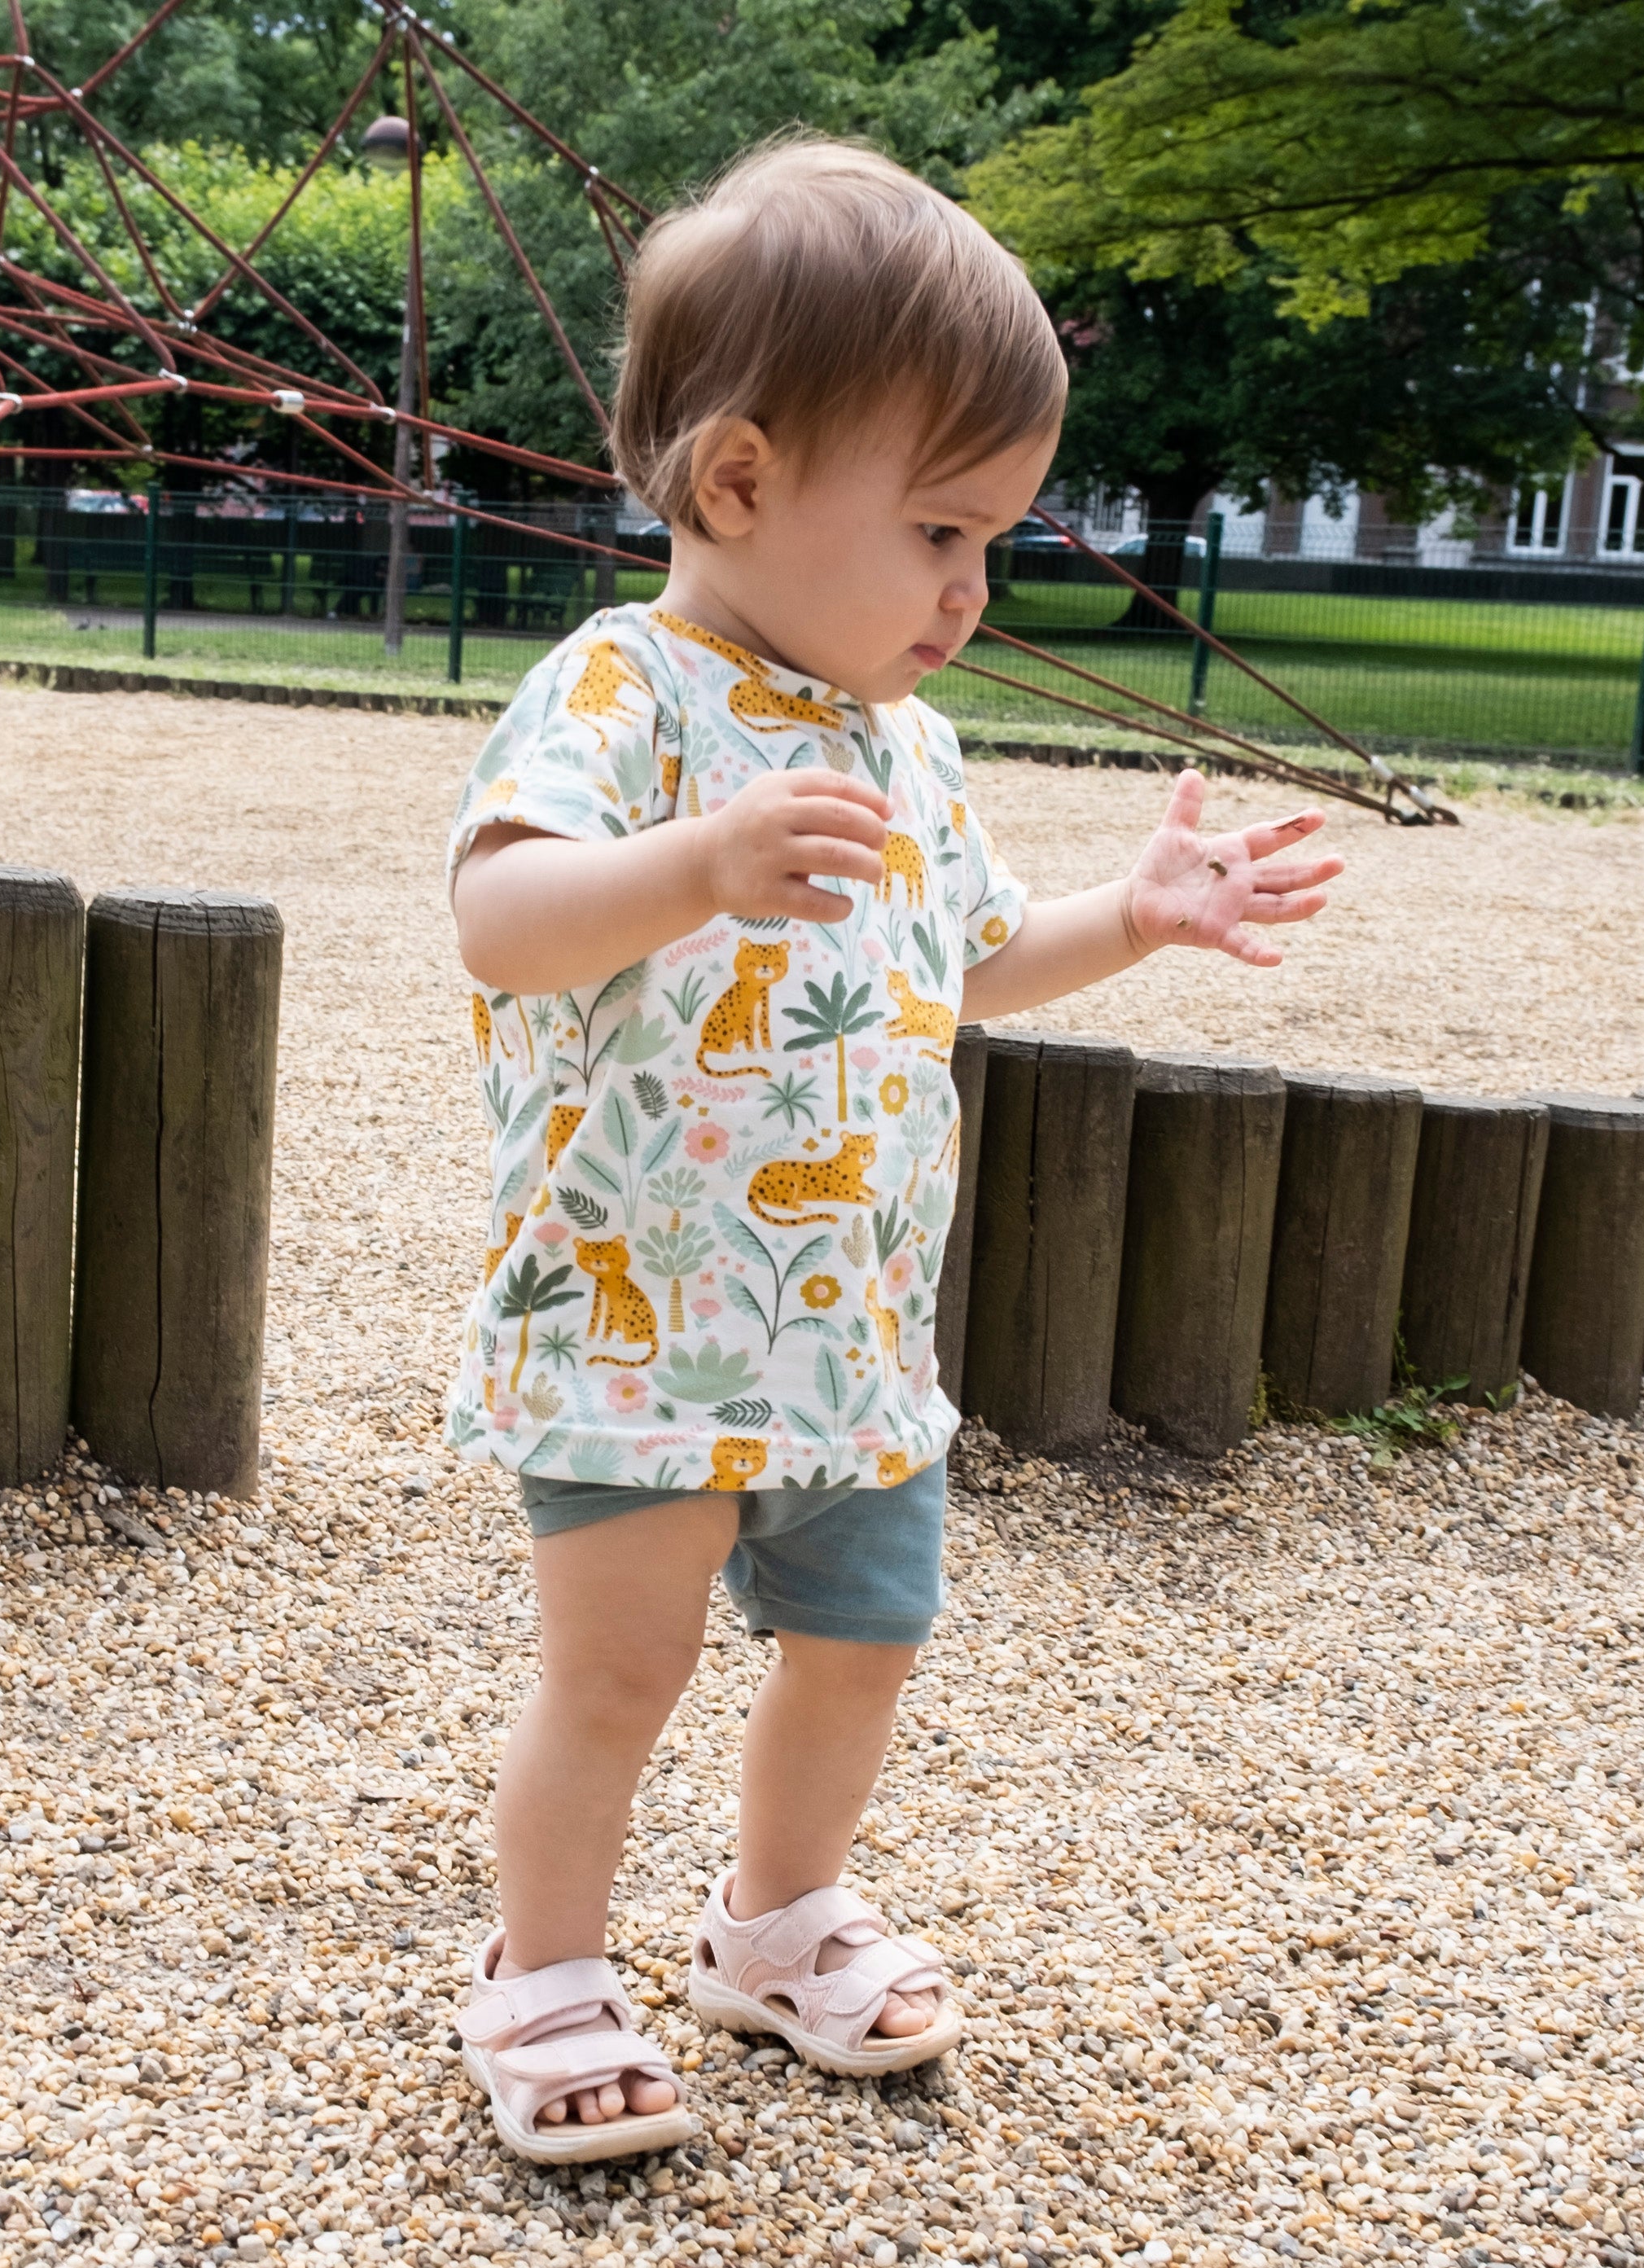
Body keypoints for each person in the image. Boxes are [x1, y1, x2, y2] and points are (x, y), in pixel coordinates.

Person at [441, 138, 1344, 2162]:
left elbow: (961, 960)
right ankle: (542, 1966)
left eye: (994, 539)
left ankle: (767, 1922)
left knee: (859, 1642)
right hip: (637, 1316)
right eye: (941, 526)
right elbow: (499, 919)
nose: (970, 588)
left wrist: (1131, 918)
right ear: (740, 478)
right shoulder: (622, 688)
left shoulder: (904, 747)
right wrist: (691, 863)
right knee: (619, 1662)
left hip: (846, 1337)